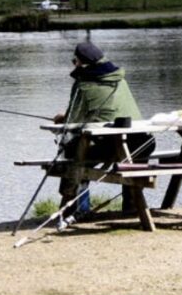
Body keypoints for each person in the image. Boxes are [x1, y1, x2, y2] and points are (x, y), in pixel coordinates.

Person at [52, 41, 153, 224]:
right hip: (142, 143)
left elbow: (73, 122)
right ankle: (130, 206)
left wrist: (63, 118)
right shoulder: (120, 80)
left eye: (74, 60)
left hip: (108, 146)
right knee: (122, 153)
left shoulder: (83, 85)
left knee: (73, 153)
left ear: (80, 62)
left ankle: (79, 209)